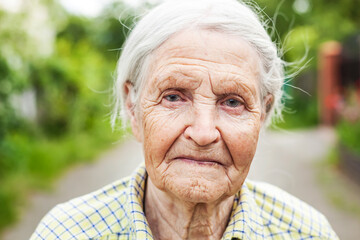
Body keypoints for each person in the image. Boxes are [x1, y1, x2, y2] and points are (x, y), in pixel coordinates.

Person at [30, 0, 339, 239]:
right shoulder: (64, 232)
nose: (203, 133)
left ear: (263, 115)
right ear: (133, 108)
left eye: (233, 102)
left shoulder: (308, 232)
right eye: (174, 96)